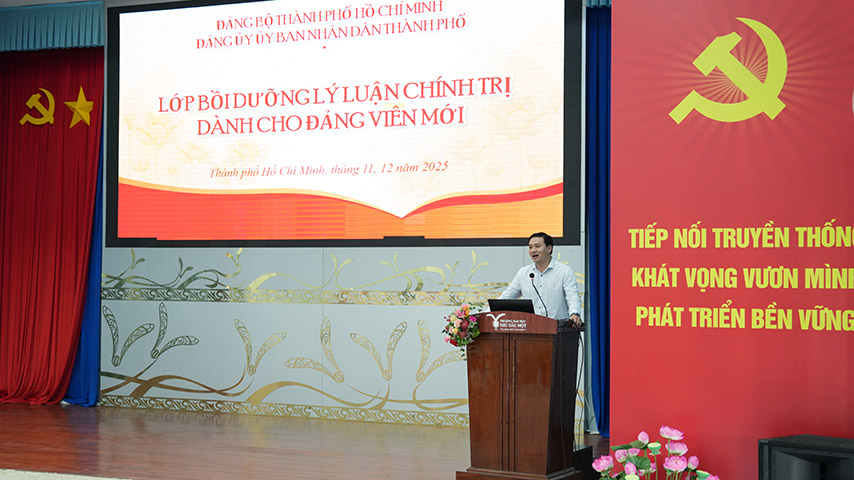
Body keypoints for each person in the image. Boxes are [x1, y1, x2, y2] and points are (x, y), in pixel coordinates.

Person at [498, 232, 582, 327]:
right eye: (530, 247)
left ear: (549, 249)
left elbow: (572, 296)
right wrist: (487, 313)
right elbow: (506, 297)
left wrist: (575, 313)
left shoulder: (564, 271)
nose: (533, 250)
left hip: (558, 329)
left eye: (537, 246)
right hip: (531, 329)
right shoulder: (523, 273)